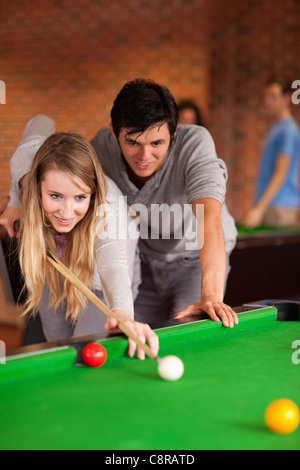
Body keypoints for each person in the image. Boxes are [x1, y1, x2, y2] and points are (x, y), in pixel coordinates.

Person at [2, 78, 238, 329]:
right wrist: (19, 197)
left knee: (194, 336)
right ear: (114, 132)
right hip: (144, 259)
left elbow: (209, 217)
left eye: (157, 143)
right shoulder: (101, 149)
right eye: (133, 142)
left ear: (174, 133)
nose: (145, 157)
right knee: (128, 336)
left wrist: (211, 296)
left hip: (193, 260)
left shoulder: (196, 144)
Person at [5, 127, 159, 360]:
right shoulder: (25, 168)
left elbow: (113, 266)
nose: (66, 212)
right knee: (57, 346)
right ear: (37, 186)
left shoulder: (110, 212)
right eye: (55, 195)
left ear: (93, 193)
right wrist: (16, 199)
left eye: (80, 197)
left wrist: (124, 315)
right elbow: (41, 121)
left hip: (100, 283)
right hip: (55, 267)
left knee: (85, 352)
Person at [244, 75, 300, 228]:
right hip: (270, 204)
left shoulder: (288, 130)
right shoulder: (276, 127)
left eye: (273, 96)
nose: (267, 101)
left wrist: (259, 209)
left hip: (279, 206)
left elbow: (281, 173)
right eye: (266, 96)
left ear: (287, 97)